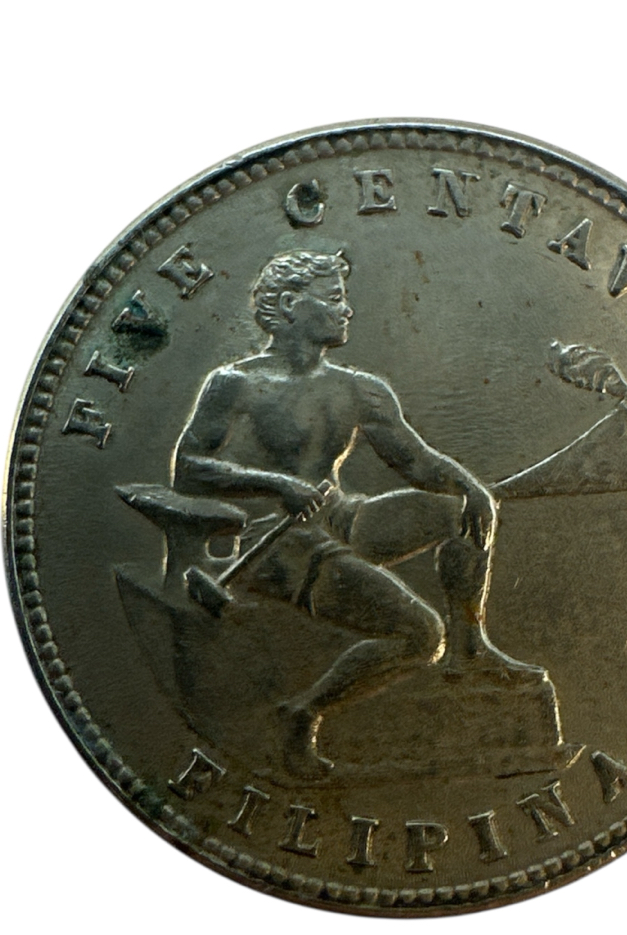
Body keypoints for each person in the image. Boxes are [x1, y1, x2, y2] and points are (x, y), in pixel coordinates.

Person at [172, 249, 546, 777]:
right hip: (275, 540)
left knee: (457, 512)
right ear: (290, 305)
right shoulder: (235, 383)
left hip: (338, 517)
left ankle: (469, 649)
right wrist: (278, 485)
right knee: (420, 634)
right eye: (333, 298)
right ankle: (302, 714)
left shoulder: (359, 389)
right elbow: (188, 466)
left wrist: (470, 487)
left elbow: (414, 459)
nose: (346, 310)